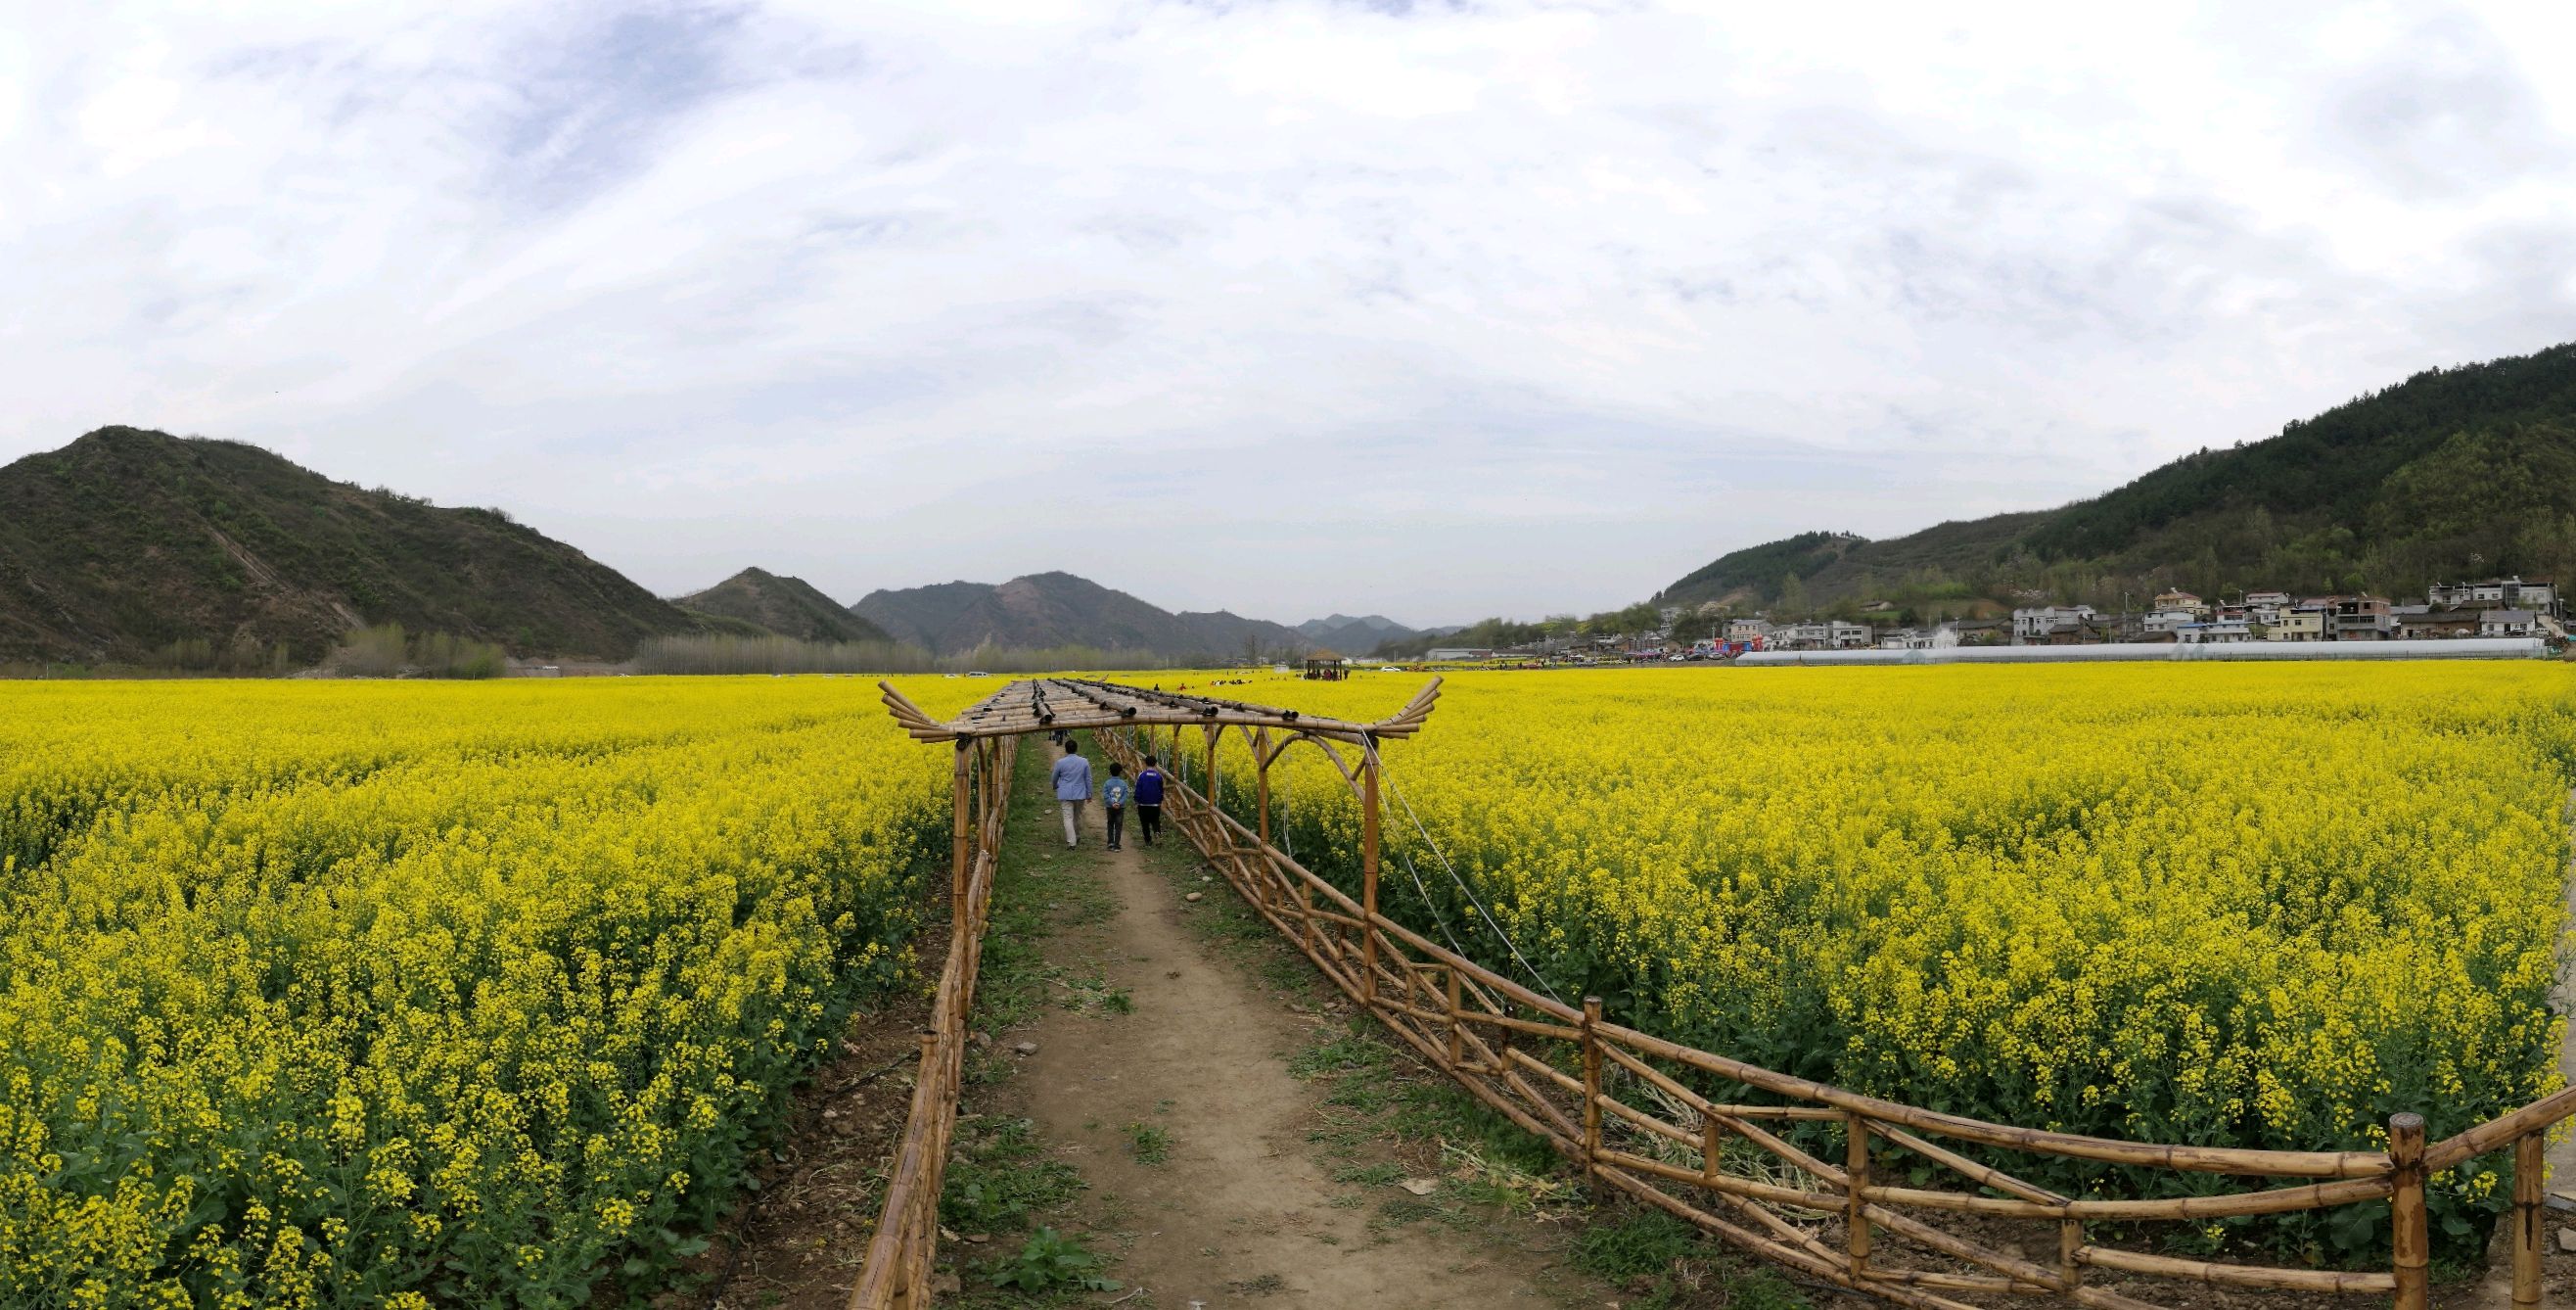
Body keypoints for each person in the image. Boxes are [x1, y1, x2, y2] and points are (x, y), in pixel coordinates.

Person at [1051, 740, 1092, 847]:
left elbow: (1054, 777)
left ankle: (1071, 842)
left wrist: (1055, 786)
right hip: (1080, 794)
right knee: (1077, 816)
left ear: (1066, 749)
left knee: (1067, 817)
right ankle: (1076, 836)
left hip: (1065, 793)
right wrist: (1089, 793)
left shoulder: (1060, 762)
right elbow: (1088, 779)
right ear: (1076, 748)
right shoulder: (1084, 761)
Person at [1132, 754, 1166, 847]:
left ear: (1145, 764)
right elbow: (1161, 790)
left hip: (1143, 804)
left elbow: (1138, 789)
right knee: (1155, 820)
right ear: (1155, 764)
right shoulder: (1158, 776)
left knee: (1144, 823)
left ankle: (1148, 840)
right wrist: (1160, 800)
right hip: (1155, 804)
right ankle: (1157, 832)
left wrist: (1136, 800)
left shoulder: (1141, 776)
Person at [1102, 762, 1130, 851]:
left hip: (1110, 807)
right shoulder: (1123, 783)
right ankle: (1116, 845)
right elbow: (1125, 795)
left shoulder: (1107, 783)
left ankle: (1110, 842)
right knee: (1118, 825)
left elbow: (1106, 795)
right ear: (1120, 772)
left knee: (1110, 824)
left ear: (1110, 772)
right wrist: (1119, 803)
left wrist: (1112, 803)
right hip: (1120, 808)